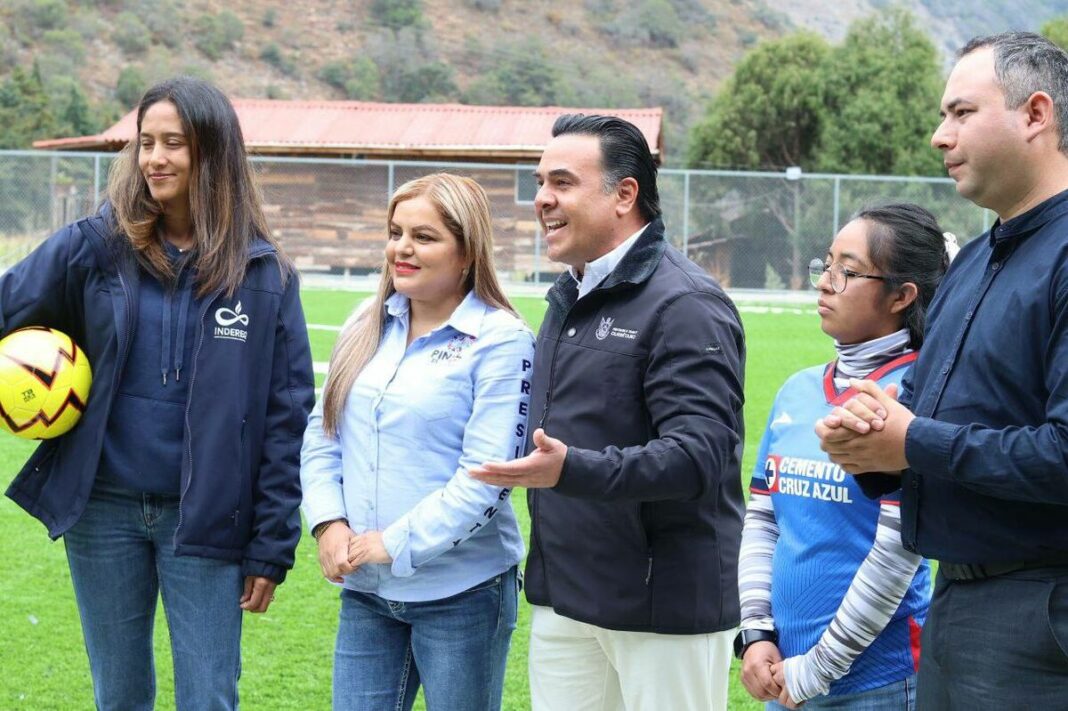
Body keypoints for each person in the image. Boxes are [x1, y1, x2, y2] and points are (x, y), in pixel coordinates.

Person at [1, 77, 314, 710]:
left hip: (206, 522)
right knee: (118, 697)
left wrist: (272, 543)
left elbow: (287, 418)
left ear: (212, 154)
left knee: (208, 698)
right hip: (103, 513)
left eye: (175, 143)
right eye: (147, 143)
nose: (156, 159)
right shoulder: (93, 248)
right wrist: (33, 378)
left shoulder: (264, 274)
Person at [816, 32, 1068, 708]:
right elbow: (921, 428)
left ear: (1035, 114)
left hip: (1041, 612)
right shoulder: (974, 261)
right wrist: (869, 446)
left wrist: (911, 440)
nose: (938, 135)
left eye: (960, 113)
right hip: (956, 599)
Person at [470, 114, 746, 711]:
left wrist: (572, 471)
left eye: (563, 182)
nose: (542, 198)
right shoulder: (568, 295)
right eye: (541, 181)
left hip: (662, 609)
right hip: (565, 599)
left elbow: (700, 455)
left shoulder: (687, 304)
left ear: (624, 194)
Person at [300, 173, 533, 711]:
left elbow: (488, 478)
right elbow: (322, 435)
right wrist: (328, 522)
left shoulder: (503, 340)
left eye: (424, 237)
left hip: (463, 594)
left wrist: (395, 542)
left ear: (467, 251)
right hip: (367, 591)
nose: (401, 248)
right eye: (395, 232)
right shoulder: (365, 322)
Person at [739, 204, 952, 710]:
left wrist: (818, 668)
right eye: (826, 265)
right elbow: (763, 521)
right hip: (784, 673)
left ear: (902, 296)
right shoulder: (798, 389)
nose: (824, 283)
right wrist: (756, 631)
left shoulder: (914, 397)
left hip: (880, 684)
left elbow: (899, 552)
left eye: (848, 271)